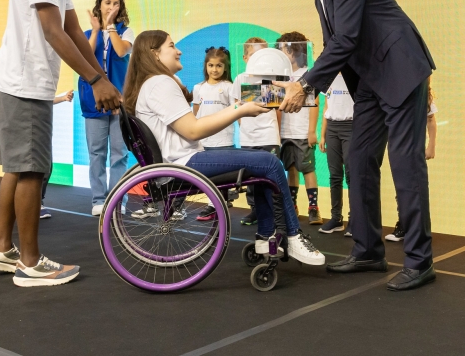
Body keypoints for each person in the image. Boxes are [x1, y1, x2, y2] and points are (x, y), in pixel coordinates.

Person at [270, 0, 437, 291]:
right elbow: (334, 44)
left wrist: (306, 85)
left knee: (406, 162)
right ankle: (367, 251)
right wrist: (304, 86)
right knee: (358, 160)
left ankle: (420, 261)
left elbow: (346, 38)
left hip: (400, 71)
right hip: (370, 83)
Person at [0, 0, 120, 288]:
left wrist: (103, 77)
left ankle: (0, 248)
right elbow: (52, 30)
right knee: (32, 171)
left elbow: (75, 29)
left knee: (19, 168)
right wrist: (95, 81)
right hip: (22, 82)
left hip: (28, 83)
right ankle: (29, 263)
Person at [123, 30, 324, 265]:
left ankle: (265, 237)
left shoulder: (155, 83)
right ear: (154, 54)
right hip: (184, 163)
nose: (179, 51)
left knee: (261, 164)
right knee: (270, 162)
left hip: (182, 160)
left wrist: (242, 106)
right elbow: (193, 130)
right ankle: (293, 235)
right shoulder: (160, 83)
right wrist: (240, 110)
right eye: (172, 46)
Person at [81, 0, 132, 216]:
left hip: (119, 100)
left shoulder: (126, 32)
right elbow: (84, 56)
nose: (111, 7)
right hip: (93, 100)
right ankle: (99, 199)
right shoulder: (86, 33)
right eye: (108, 3)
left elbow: (121, 52)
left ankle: (118, 199)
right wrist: (94, 31)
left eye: (116, 4)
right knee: (97, 152)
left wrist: (110, 26)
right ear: (99, 4)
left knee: (120, 153)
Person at [232, 38, 283, 227]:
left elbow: (278, 110)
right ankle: (255, 210)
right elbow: (237, 108)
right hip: (248, 137)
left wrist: (276, 134)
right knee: (251, 177)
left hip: (269, 136)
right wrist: (244, 129)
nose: (259, 60)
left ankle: (277, 212)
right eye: (254, 55)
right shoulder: (240, 79)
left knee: (272, 175)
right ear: (245, 58)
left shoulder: (273, 79)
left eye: (263, 55)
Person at [276, 32, 322, 225]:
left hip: (303, 131)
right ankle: (293, 205)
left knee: (308, 169)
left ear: (293, 51)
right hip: (286, 132)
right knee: (291, 169)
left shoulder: (307, 74)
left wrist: (312, 131)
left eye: (282, 51)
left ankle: (313, 208)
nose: (279, 55)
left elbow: (315, 102)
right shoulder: (281, 75)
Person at [386, 78, 437, 242]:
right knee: (400, 188)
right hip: (399, 145)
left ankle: (415, 228)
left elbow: (431, 121)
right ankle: (403, 224)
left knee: (414, 187)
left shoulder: (426, 97)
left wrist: (431, 146)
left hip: (415, 146)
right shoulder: (398, 93)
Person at [193, 46, 235, 221]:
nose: (214, 69)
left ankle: (216, 204)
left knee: (222, 173)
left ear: (225, 67)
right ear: (205, 66)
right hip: (204, 139)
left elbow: (235, 111)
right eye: (211, 65)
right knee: (207, 175)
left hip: (223, 139)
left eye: (219, 66)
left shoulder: (229, 87)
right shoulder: (198, 87)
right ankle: (217, 201)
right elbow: (195, 113)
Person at [318, 73, 354, 234]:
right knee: (335, 175)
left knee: (351, 175)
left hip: (351, 127)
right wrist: (323, 134)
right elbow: (326, 107)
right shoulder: (329, 77)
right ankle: (336, 218)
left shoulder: (354, 75)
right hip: (332, 127)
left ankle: (354, 219)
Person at [40, 89, 75, 219]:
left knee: (47, 169)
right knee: (31, 171)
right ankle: (33, 204)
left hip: (44, 132)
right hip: (28, 131)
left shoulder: (40, 88)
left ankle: (38, 202)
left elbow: (45, 100)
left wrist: (63, 98)